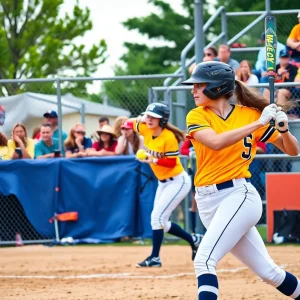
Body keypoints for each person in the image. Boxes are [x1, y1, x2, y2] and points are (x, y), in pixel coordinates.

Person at [181, 61, 300, 300]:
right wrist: (259, 123)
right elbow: (216, 142)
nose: (193, 90)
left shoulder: (251, 115)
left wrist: (284, 129)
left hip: (238, 196)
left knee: (204, 260)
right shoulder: (197, 115)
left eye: (199, 85)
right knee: (270, 273)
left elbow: (293, 151)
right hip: (207, 200)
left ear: (216, 87)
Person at [132, 103, 202, 268]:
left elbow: (171, 163)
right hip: (163, 183)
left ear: (162, 120)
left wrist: (152, 159)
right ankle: (194, 240)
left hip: (178, 181)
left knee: (157, 218)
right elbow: (131, 124)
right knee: (160, 221)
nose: (149, 120)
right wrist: (141, 117)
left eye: (153, 117)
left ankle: (155, 258)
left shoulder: (169, 136)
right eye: (148, 116)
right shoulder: (145, 128)